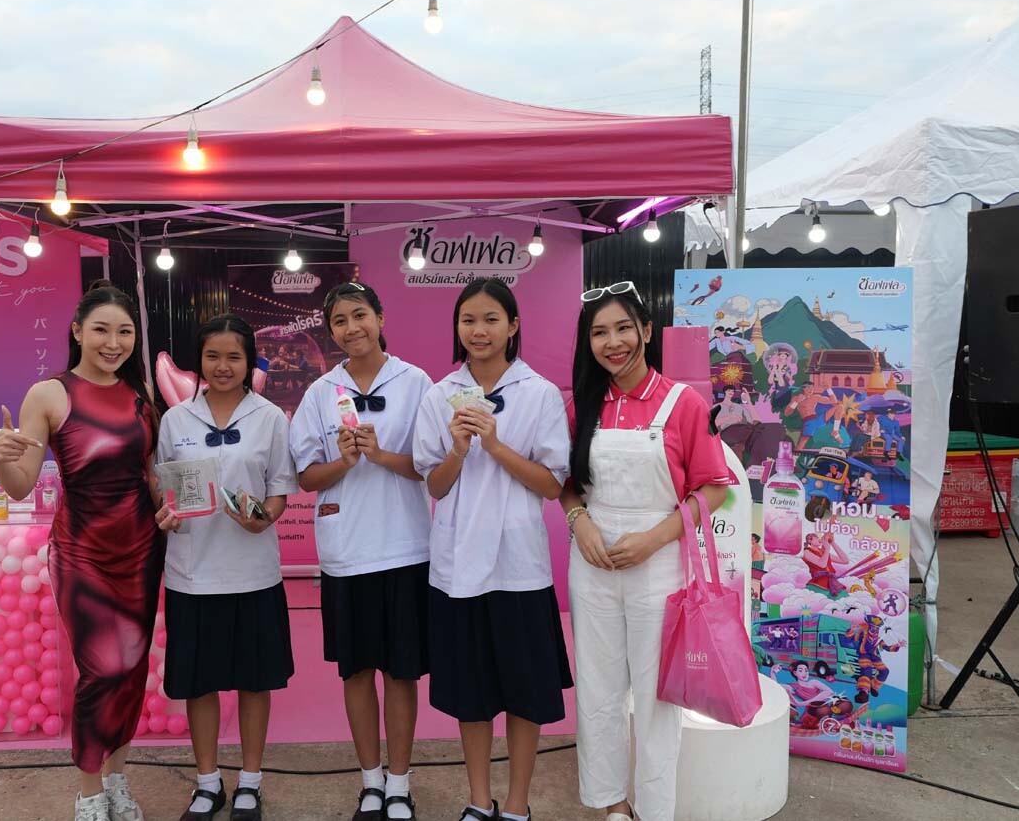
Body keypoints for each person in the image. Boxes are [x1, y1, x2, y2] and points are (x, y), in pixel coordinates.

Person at [0, 281, 161, 821]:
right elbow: (21, 486)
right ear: (77, 331)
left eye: (125, 332)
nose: (114, 343)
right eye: (101, 330)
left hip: (141, 548)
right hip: (81, 553)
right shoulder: (49, 395)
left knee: (131, 668)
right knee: (102, 668)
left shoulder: (140, 396)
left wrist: (176, 509)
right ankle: (89, 791)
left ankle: (117, 779)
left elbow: (151, 476)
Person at [560, 279, 731, 821]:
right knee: (597, 688)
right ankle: (612, 804)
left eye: (623, 329)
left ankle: (655, 810)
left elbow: (714, 489)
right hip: (592, 564)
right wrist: (579, 522)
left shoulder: (684, 403)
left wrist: (654, 538)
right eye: (599, 333)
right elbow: (566, 484)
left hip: (658, 565)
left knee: (657, 696)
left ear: (647, 331)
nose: (613, 342)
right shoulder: (582, 406)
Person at [413, 277, 572, 821]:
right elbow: (435, 487)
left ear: (513, 325)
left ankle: (519, 804)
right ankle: (479, 800)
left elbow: (550, 484)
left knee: (526, 694)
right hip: (459, 568)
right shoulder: (439, 395)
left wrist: (496, 444)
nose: (478, 331)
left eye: (490, 319)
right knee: (471, 694)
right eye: (468, 320)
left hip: (519, 567)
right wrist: (458, 449)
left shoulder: (540, 394)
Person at [290, 282, 433, 821]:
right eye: (340, 321)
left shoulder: (416, 382)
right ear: (330, 331)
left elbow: (432, 465)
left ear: (380, 317)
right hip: (346, 551)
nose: (351, 328)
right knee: (355, 672)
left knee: (400, 672)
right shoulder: (319, 393)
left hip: (404, 547)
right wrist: (345, 462)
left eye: (360, 315)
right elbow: (307, 476)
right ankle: (370, 782)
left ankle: (400, 783)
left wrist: (381, 454)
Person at [154, 314, 299, 821]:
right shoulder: (176, 420)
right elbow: (163, 486)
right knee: (200, 683)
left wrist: (265, 518)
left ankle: (250, 782)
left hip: (253, 572)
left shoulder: (270, 418)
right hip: (192, 574)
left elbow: (279, 490)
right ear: (199, 361)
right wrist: (166, 511)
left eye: (233, 356)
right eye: (212, 356)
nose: (222, 366)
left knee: (255, 681)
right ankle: (208, 782)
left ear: (248, 361)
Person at [802, 532, 849, 598]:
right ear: (810, 541)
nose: (819, 539)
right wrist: (827, 549)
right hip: (818, 584)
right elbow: (822, 564)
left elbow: (845, 560)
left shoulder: (823, 552)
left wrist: (833, 543)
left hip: (832, 583)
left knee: (844, 596)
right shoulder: (807, 552)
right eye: (816, 538)